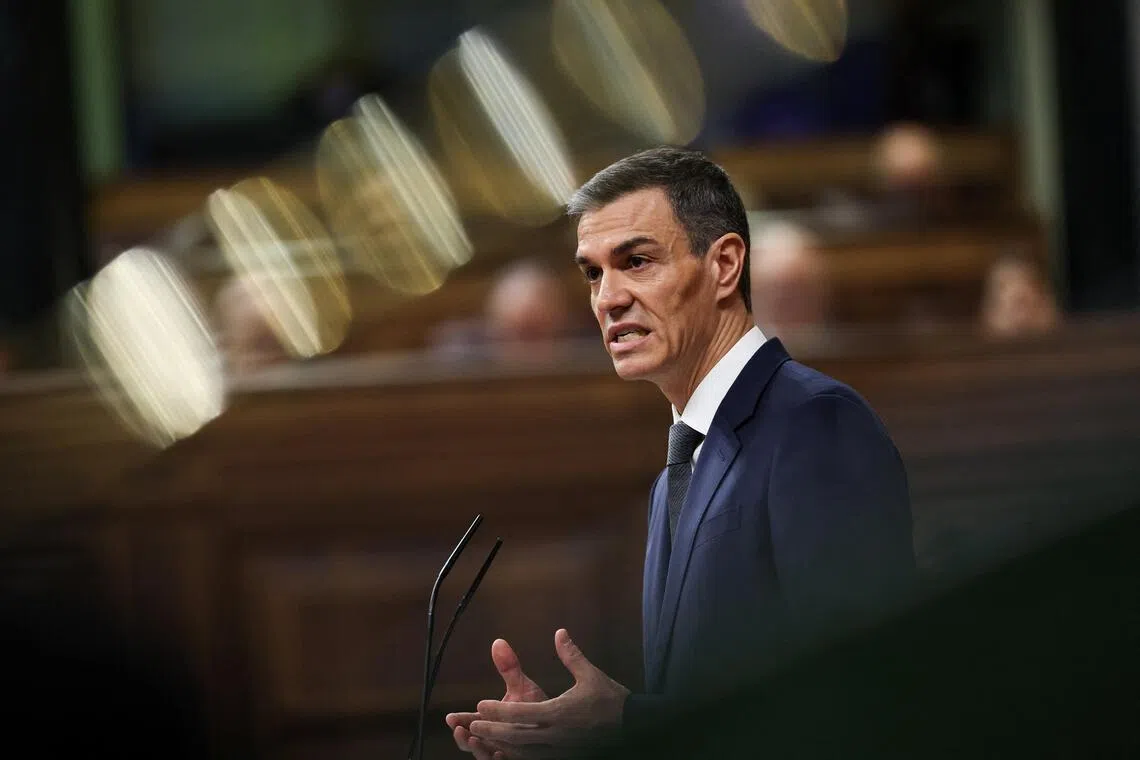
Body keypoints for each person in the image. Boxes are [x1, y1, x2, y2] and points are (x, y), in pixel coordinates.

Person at [446, 146, 915, 759]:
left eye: (636, 261)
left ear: (723, 265)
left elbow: (861, 698)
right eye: (592, 273)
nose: (607, 299)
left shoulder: (814, 423)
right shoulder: (677, 472)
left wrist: (627, 723)